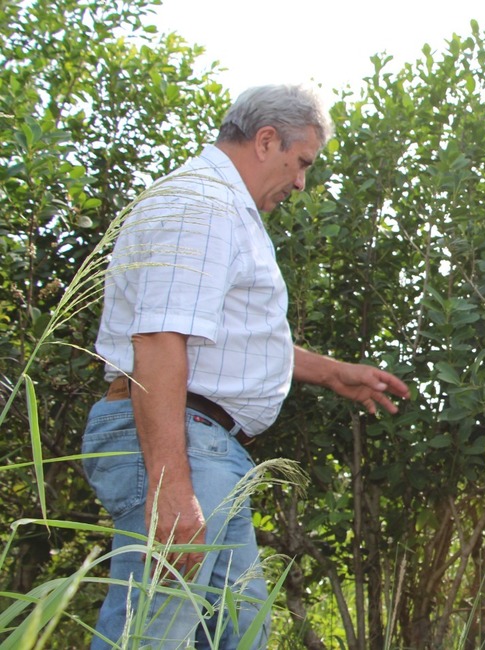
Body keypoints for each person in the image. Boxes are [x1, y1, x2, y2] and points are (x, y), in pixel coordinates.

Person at [82, 84, 410, 649]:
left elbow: (226, 343)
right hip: (182, 444)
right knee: (154, 634)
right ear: (265, 140)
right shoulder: (202, 204)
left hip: (208, 447)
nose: (302, 181)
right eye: (302, 162)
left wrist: (334, 373)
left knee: (239, 634)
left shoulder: (222, 207)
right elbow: (159, 340)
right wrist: (171, 488)